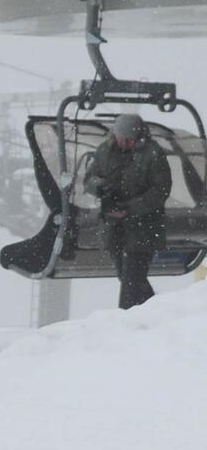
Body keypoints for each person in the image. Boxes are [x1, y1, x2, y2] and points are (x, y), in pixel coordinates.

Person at [83, 113, 171, 309]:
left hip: (143, 228)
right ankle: (156, 310)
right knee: (127, 276)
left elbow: (161, 190)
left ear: (138, 135)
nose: (124, 143)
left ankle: (125, 320)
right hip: (115, 227)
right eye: (121, 138)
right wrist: (100, 187)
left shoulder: (152, 154)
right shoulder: (105, 151)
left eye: (129, 139)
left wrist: (131, 208)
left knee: (131, 281)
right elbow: (89, 179)